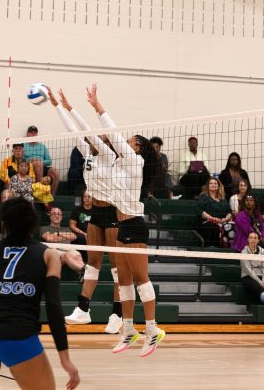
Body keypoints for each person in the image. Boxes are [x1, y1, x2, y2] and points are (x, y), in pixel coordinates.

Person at [0, 197, 79, 390]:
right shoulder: (48, 255)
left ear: (3, 223)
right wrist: (65, 357)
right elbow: (53, 307)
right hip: (20, 338)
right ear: (33, 224)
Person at [87, 83, 165, 356]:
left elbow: (114, 135)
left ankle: (153, 330)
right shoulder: (121, 165)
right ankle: (129, 329)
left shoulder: (135, 161)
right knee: (124, 280)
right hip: (122, 226)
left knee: (141, 278)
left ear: (138, 149)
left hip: (135, 225)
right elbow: (104, 144)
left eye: (132, 141)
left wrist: (98, 107)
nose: (127, 142)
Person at [51, 87, 123, 333]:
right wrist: (60, 107)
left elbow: (86, 130)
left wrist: (83, 108)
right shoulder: (87, 153)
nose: (96, 139)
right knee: (92, 264)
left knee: (116, 266)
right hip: (96, 215)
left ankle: (118, 313)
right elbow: (75, 131)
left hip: (113, 213)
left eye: (100, 138)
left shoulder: (109, 156)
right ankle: (83, 309)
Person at [196, 178, 233, 248]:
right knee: (212, 226)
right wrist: (212, 218)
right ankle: (213, 249)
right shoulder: (203, 197)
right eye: (211, 183)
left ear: (218, 186)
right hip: (207, 222)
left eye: (215, 183)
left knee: (232, 226)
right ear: (207, 186)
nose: (213, 185)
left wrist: (225, 219)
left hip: (223, 221)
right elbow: (199, 210)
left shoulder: (223, 199)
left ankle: (229, 249)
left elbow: (229, 212)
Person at [24, 126, 60, 195]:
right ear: (28, 134)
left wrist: (40, 162)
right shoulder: (24, 145)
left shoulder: (42, 147)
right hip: (30, 167)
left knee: (55, 172)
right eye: (31, 132)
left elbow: (49, 161)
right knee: (37, 164)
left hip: (42, 166)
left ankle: (51, 196)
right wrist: (31, 160)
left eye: (35, 133)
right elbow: (21, 160)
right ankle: (38, 192)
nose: (33, 134)